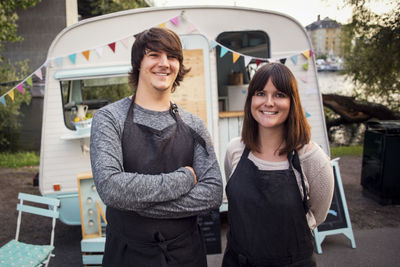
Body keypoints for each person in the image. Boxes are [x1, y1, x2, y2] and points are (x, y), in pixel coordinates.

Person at [90, 27, 223, 267]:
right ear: (138, 63)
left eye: (172, 57)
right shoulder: (109, 118)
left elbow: (212, 193)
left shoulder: (194, 124)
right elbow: (111, 188)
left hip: (186, 255)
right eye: (154, 55)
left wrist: (136, 203)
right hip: (127, 255)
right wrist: (183, 179)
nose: (164, 63)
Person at [222, 63, 334, 267]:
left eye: (280, 95)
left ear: (292, 101)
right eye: (261, 93)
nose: (269, 102)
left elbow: (317, 216)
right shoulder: (234, 150)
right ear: (251, 100)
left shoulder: (312, 158)